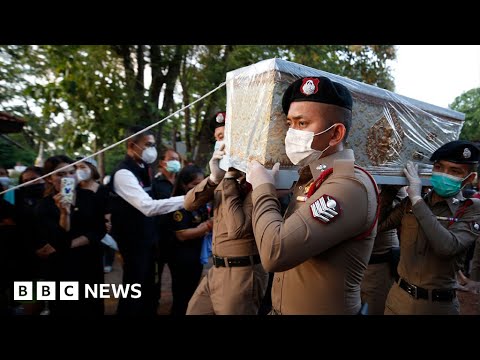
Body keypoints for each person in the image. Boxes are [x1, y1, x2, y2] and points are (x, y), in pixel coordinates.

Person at [246, 76, 379, 315]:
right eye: (290, 124)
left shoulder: (349, 185)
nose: (292, 133)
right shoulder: (313, 179)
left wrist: (263, 188)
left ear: (336, 134)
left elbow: (275, 253)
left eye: (302, 123)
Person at [379, 140, 480, 315]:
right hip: (398, 301)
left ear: (469, 179)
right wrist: (390, 189)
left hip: (437, 307)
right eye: (439, 167)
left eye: (455, 171)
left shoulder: (471, 208)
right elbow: (378, 225)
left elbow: (447, 247)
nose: (443, 174)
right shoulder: (410, 203)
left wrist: (417, 200)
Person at [184, 114, 268, 315]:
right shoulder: (221, 177)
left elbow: (237, 229)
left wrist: (230, 179)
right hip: (216, 269)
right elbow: (189, 204)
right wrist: (214, 177)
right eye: (217, 138)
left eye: (223, 136)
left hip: (242, 273)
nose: (219, 143)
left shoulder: (257, 177)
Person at [109, 126, 185, 316]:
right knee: (134, 291)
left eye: (153, 144)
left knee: (149, 290)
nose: (152, 149)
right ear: (132, 145)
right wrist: (188, 199)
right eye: (148, 145)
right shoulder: (123, 173)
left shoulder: (143, 169)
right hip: (133, 243)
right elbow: (148, 207)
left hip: (148, 241)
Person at [34, 155, 106, 315]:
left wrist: (71, 244)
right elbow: (59, 240)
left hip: (90, 264)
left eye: (71, 172)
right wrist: (64, 215)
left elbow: (99, 230)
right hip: (63, 269)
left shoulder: (88, 197)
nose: (67, 178)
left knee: (93, 307)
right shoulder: (44, 207)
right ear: (50, 179)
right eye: (60, 174)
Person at [169, 165, 211, 315]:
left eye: (201, 183)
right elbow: (182, 234)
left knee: (192, 293)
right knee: (182, 296)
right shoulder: (179, 204)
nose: (199, 187)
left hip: (195, 254)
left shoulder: (199, 201)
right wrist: (208, 225)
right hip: (181, 257)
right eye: (195, 184)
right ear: (184, 184)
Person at [360, 186, 406, 315]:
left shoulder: (391, 184)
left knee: (374, 308)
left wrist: (387, 192)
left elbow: (375, 223)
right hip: (355, 263)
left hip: (378, 263)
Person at [151, 147, 181, 309]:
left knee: (179, 280)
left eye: (177, 158)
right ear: (163, 163)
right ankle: (153, 305)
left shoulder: (181, 183)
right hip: (159, 240)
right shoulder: (155, 184)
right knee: (155, 279)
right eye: (172, 159)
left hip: (179, 239)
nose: (176, 162)